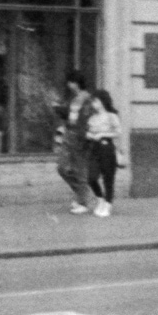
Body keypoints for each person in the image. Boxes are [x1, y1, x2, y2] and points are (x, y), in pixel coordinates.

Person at [51, 70, 98, 215]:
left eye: (70, 82)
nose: (68, 85)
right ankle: (83, 195)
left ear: (76, 83)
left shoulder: (88, 99)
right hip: (69, 136)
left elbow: (88, 120)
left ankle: (83, 202)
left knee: (80, 171)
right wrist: (58, 109)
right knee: (62, 168)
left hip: (80, 138)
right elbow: (69, 115)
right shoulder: (74, 98)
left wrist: (86, 138)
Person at [86, 89, 121, 217]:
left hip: (107, 148)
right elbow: (87, 132)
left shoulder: (112, 116)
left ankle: (107, 204)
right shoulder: (92, 118)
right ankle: (100, 198)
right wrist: (90, 135)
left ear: (102, 101)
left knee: (108, 178)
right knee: (91, 177)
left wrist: (102, 134)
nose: (93, 104)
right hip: (94, 148)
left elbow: (118, 132)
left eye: (95, 101)